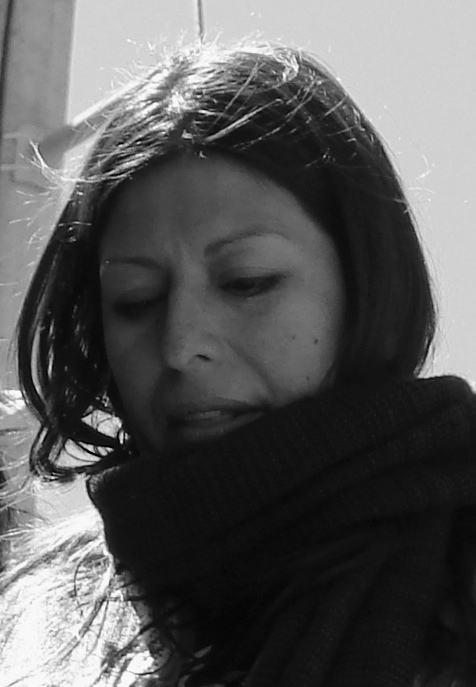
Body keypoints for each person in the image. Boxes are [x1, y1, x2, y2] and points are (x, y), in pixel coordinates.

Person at [1, 39, 475, 687]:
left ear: (368, 285)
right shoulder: (36, 617)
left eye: (247, 282)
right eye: (136, 301)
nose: (180, 345)